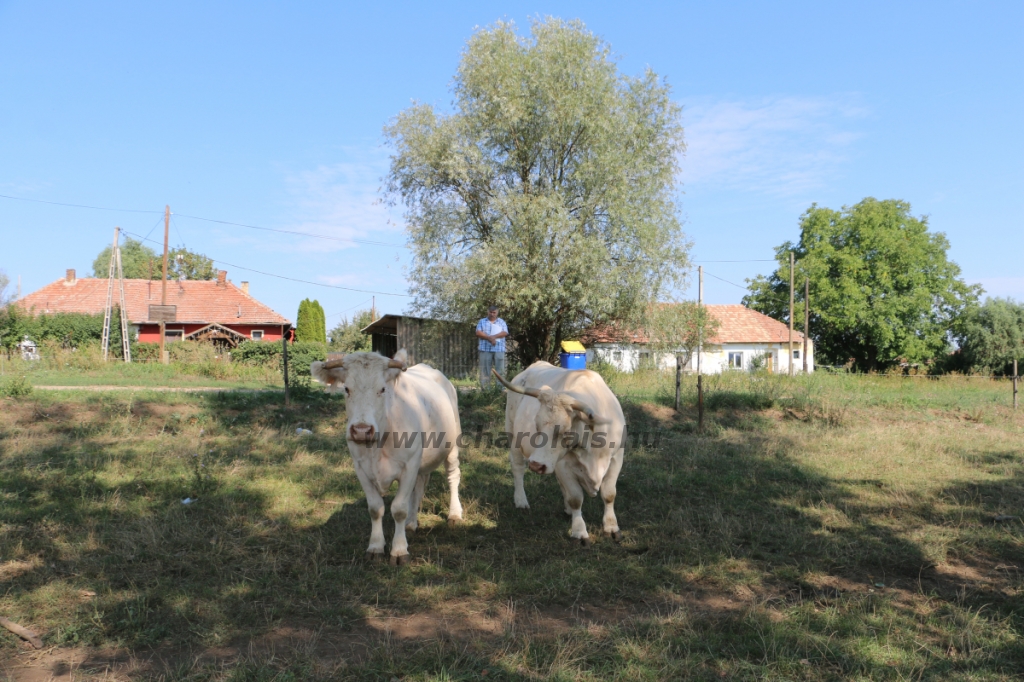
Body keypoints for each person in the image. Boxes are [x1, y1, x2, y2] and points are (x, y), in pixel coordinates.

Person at [476, 305, 508, 389]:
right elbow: (478, 333)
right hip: (485, 349)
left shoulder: (501, 322)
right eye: (491, 312)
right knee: (485, 371)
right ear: (488, 312)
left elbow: (505, 332)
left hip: (499, 349)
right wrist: (489, 338)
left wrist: (494, 337)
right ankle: (486, 391)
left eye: (494, 312)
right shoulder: (482, 321)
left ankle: (500, 390)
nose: (492, 314)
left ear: (497, 313)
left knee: (500, 371)